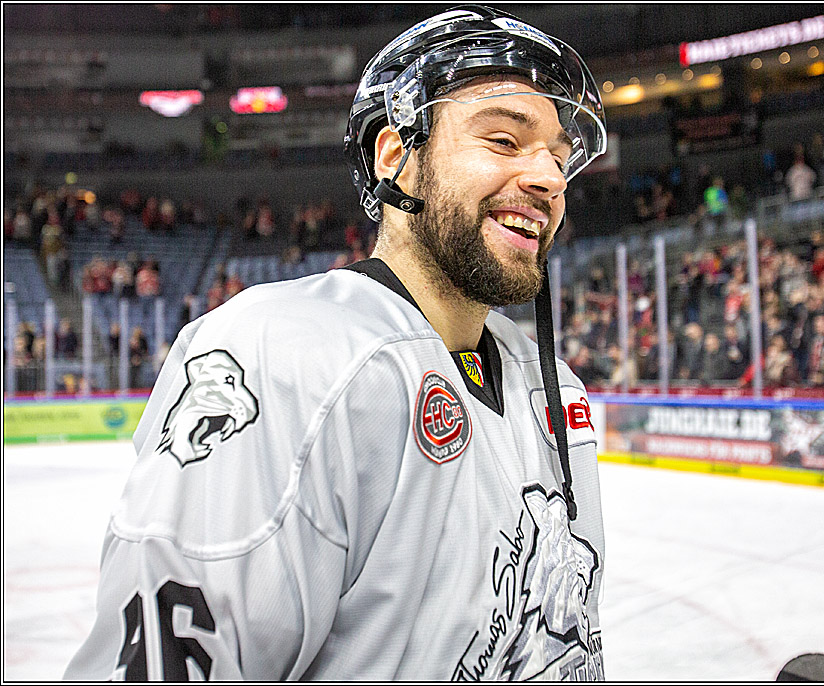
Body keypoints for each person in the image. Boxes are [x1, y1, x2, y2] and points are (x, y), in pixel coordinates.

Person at [65, 6, 607, 681]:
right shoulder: (283, 353)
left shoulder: (553, 388)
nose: (551, 179)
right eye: (503, 140)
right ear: (397, 156)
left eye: (558, 158)